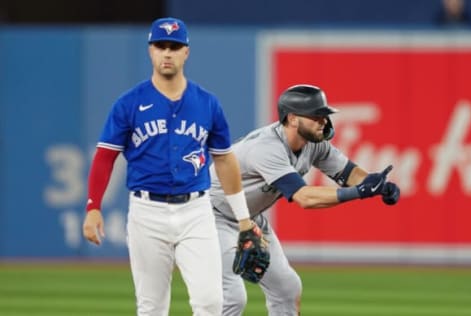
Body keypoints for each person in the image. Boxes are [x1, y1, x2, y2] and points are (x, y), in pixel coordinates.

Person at [82, 17, 256, 316]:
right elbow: (105, 157)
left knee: (211, 302)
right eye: (161, 46)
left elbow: (225, 159)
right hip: (147, 213)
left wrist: (243, 218)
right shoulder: (129, 103)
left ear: (186, 52)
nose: (167, 53)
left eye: (174, 47)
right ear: (150, 50)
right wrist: (93, 206)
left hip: (196, 213)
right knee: (151, 308)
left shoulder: (207, 104)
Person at [209, 84, 401, 315]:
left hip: (250, 219)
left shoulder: (314, 144)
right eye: (315, 115)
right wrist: (360, 192)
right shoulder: (267, 148)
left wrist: (377, 185)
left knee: (287, 289)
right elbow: (305, 198)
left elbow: (349, 173)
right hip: (213, 216)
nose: (323, 121)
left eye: (324, 115)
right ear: (292, 119)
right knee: (232, 298)